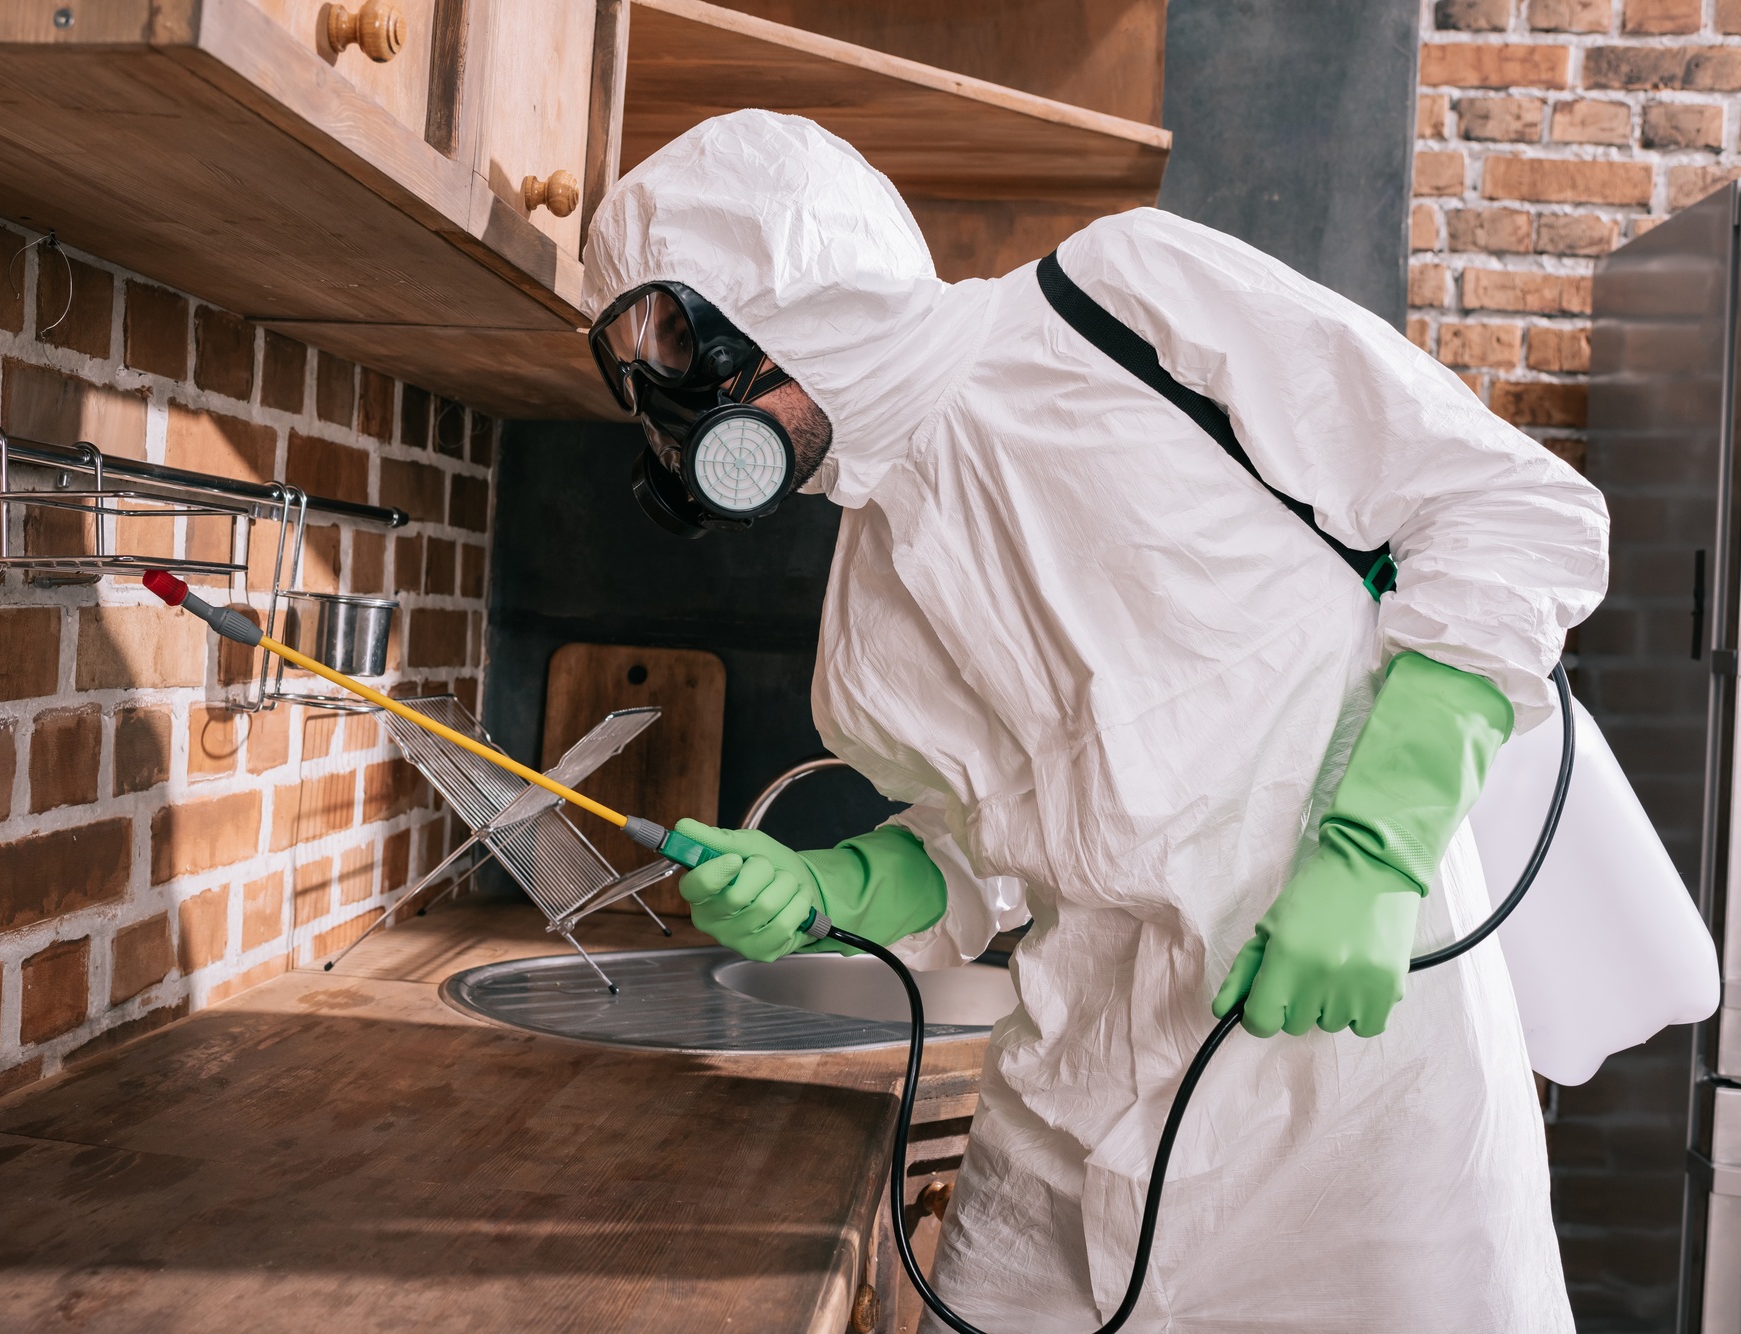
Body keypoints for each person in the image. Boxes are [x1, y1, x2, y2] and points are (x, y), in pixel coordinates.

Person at [582, 110, 1606, 1332]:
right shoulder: (863, 617)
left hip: (1358, 1111)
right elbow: (987, 853)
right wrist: (826, 882)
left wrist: (1372, 856)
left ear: (792, 288)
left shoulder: (1121, 302)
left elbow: (1507, 510)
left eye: (672, 342)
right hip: (1061, 1131)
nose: (668, 410)